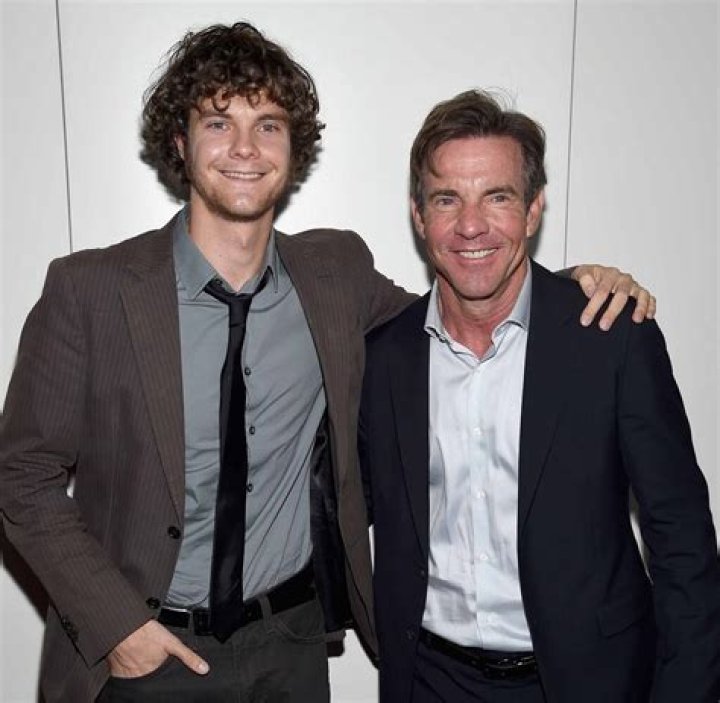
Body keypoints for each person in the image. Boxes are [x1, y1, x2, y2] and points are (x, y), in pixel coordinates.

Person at [0, 24, 653, 703]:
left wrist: (571, 289)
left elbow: (458, 316)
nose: (245, 148)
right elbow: (20, 475)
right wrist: (120, 626)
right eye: (219, 122)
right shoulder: (92, 290)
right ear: (180, 143)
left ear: (294, 148)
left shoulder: (335, 275)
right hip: (146, 654)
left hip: (292, 648)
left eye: (268, 125)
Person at [359, 89, 720, 703]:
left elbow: (680, 537)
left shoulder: (611, 338)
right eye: (447, 199)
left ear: (533, 210)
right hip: (430, 681)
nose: (471, 225)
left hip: (588, 683)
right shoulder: (384, 357)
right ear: (419, 217)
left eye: (497, 197)